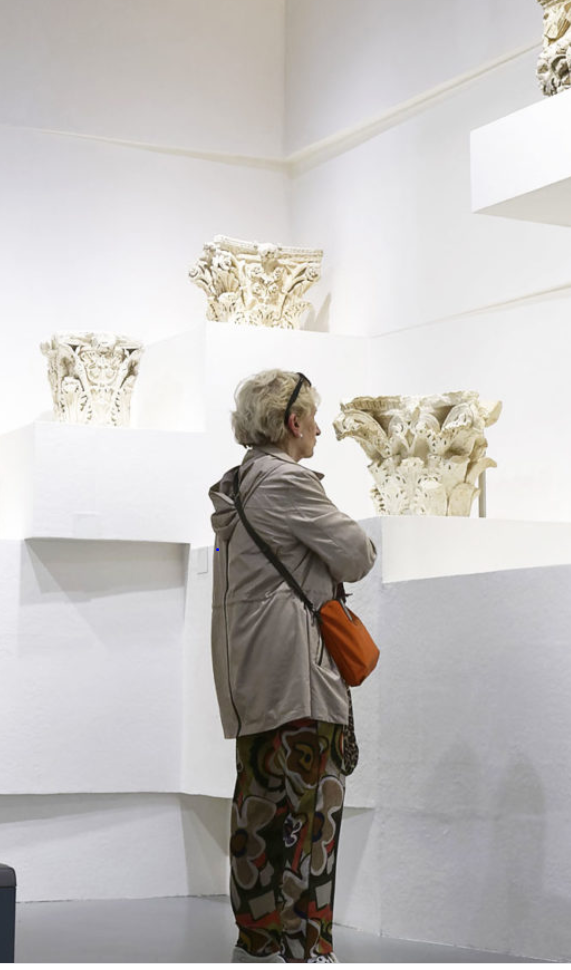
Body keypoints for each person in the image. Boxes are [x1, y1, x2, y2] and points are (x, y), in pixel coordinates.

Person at [209, 370, 377, 963]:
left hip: (256, 684)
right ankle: (302, 948)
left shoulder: (238, 487)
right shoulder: (287, 483)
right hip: (301, 687)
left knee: (259, 818)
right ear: (291, 422)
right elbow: (358, 554)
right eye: (313, 416)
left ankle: (260, 943)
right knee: (309, 825)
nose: (320, 428)